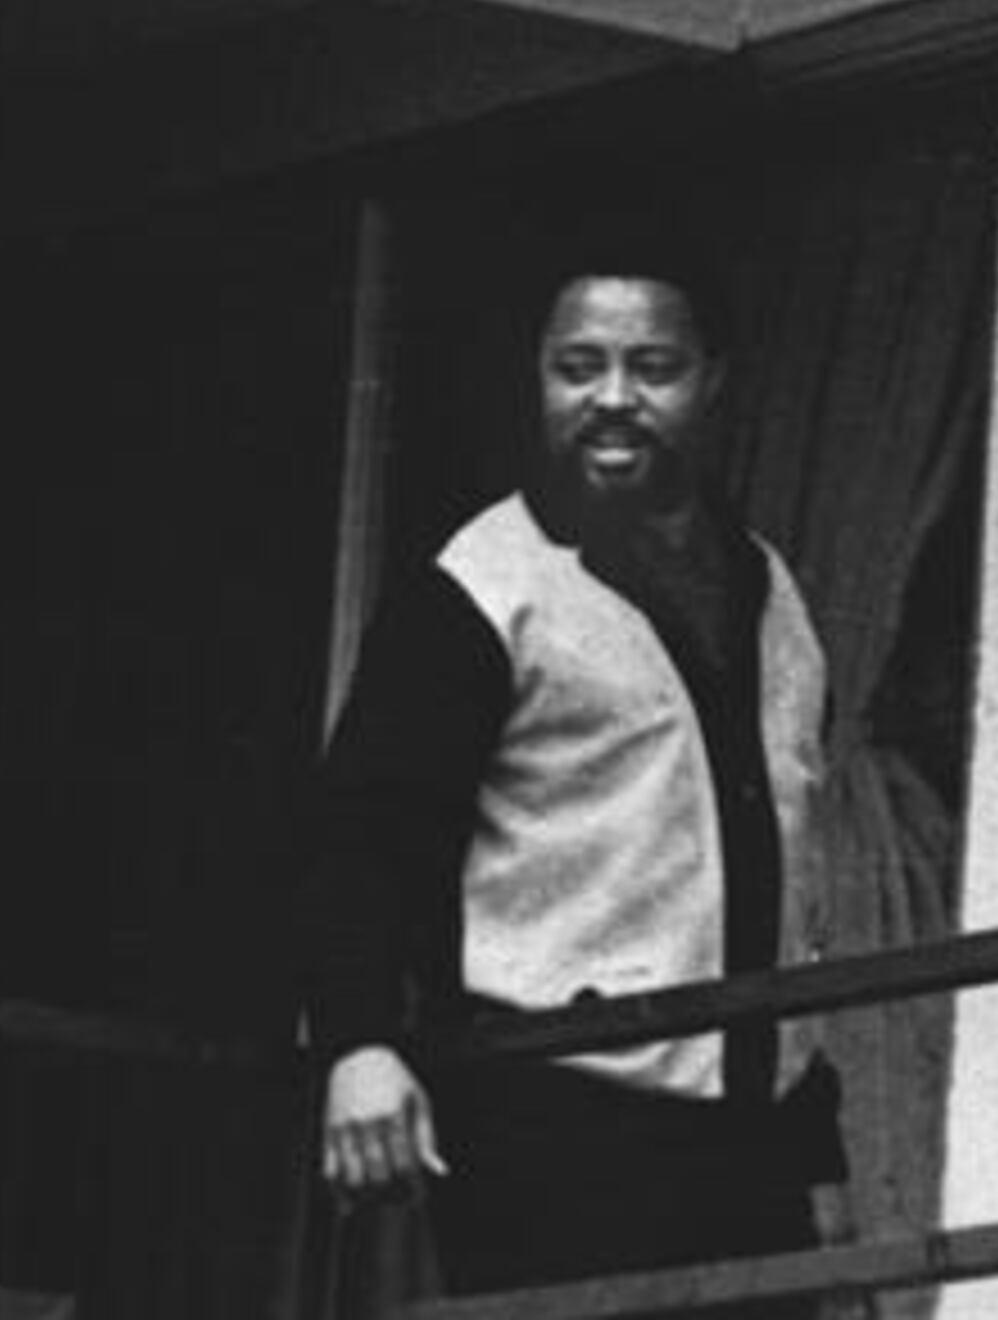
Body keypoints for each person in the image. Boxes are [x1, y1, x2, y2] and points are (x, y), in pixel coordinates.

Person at [302, 259, 841, 1306]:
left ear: (714, 381)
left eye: (654, 368)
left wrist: (818, 1148)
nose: (613, 398)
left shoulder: (772, 588)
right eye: (578, 367)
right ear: (538, 379)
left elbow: (789, 879)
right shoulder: (481, 586)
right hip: (557, 1118)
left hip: (752, 1138)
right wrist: (358, 1042)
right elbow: (361, 837)